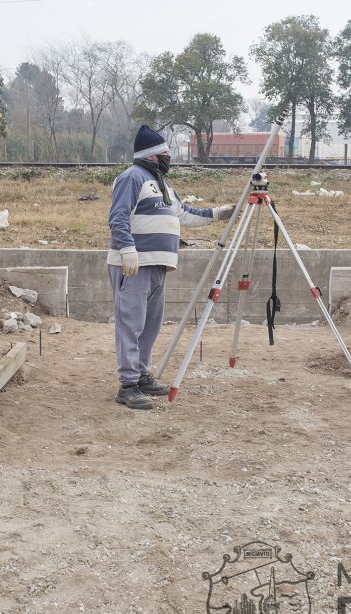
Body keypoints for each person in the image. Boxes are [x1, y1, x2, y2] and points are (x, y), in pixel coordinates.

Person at [107, 125, 235, 410]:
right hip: (133, 265)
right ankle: (127, 385)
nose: (169, 155)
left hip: (158, 266)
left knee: (150, 326)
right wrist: (127, 250)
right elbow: (118, 217)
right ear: (152, 155)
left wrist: (218, 213)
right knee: (131, 325)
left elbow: (185, 214)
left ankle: (141, 376)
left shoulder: (162, 183)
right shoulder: (132, 177)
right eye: (165, 151)